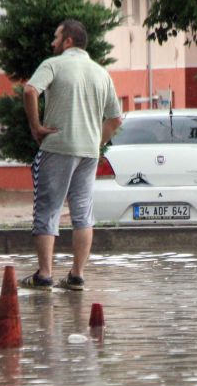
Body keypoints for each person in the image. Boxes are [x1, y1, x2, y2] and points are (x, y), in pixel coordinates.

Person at [21, 19, 123, 291]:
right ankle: (76, 275)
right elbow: (115, 119)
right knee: (82, 212)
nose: (52, 43)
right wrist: (95, 142)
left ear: (68, 41)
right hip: (88, 152)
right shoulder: (101, 73)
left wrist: (36, 127)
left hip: (57, 147)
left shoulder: (53, 64)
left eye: (56, 37)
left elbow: (30, 90)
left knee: (47, 209)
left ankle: (44, 274)